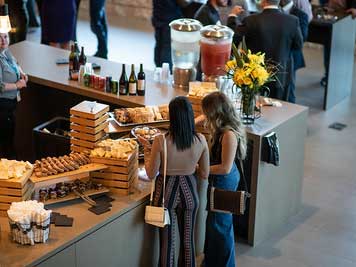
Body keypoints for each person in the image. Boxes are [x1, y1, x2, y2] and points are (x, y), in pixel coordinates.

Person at [139, 96, 209, 267]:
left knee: (167, 244)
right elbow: (205, 173)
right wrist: (190, 165)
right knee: (187, 242)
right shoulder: (200, 140)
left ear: (172, 117)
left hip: (166, 195)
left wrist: (149, 152)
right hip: (190, 194)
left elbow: (150, 173)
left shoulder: (160, 140)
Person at [201, 92, 247, 267]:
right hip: (221, 180)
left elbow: (224, 168)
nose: (204, 116)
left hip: (225, 182)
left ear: (215, 114)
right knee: (214, 226)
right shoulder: (222, 128)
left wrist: (201, 169)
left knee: (221, 227)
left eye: (207, 113)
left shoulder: (228, 135)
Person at [229, 0, 303, 101]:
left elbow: (234, 39)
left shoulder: (251, 20)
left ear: (263, 1)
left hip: (254, 74)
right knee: (279, 107)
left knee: (253, 106)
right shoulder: (292, 20)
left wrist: (232, 18)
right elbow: (298, 46)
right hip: (281, 73)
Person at [0, 32, 27, 158]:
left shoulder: (6, 52)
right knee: (6, 144)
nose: (3, 40)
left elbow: (16, 62)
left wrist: (21, 72)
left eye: (5, 37)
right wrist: (17, 85)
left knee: (10, 137)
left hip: (11, 105)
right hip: (2, 106)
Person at [321, 0, 356, 87]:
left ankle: (339, 80)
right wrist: (324, 4)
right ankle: (328, 77)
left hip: (348, 16)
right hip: (330, 14)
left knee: (342, 52)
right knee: (328, 48)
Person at [280, 0, 309, 103]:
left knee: (289, 89)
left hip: (291, 57)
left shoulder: (301, 14)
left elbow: (303, 37)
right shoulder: (276, 10)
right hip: (275, 54)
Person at [152, 0, 184, 70]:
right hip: (169, 18)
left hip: (158, 16)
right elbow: (183, 3)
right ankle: (165, 73)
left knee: (159, 45)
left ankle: (159, 70)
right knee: (167, 47)